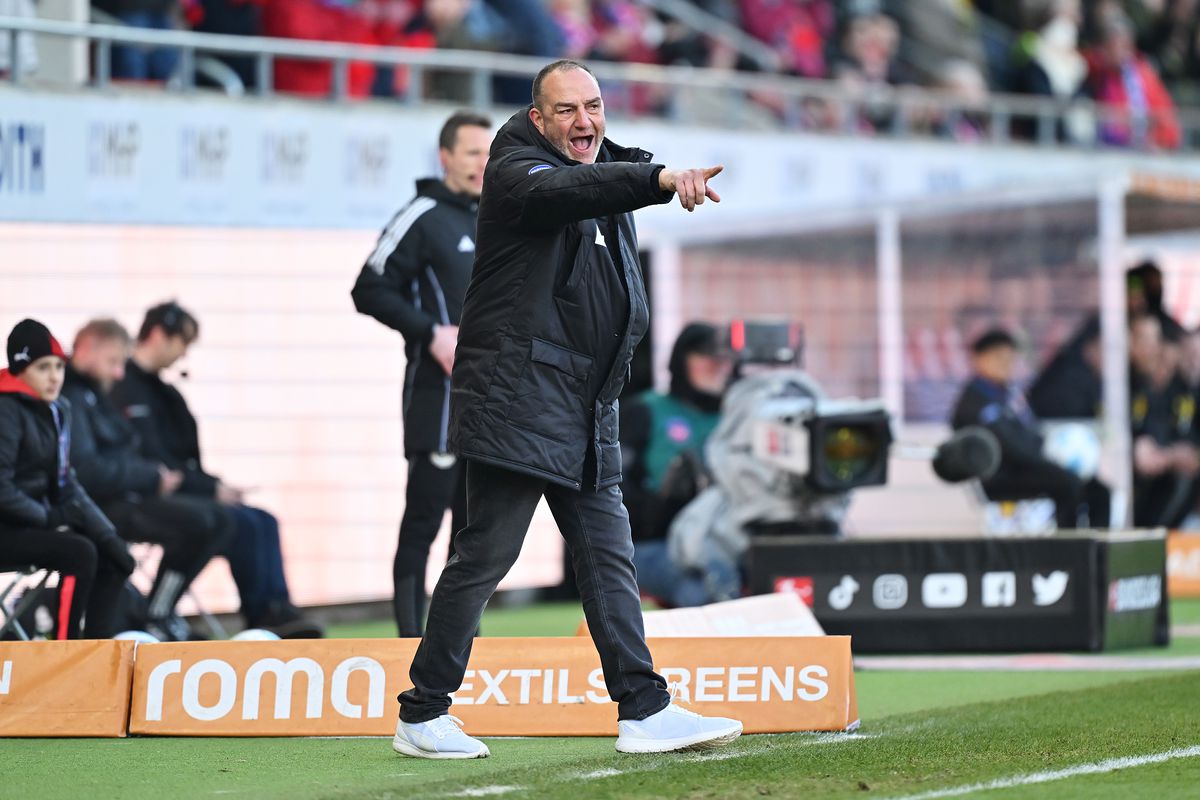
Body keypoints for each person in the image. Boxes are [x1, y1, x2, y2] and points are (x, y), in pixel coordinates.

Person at [391, 59, 741, 760]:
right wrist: (660, 180)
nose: (585, 122)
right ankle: (423, 712)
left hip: (585, 403)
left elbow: (607, 186)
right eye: (568, 110)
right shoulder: (517, 174)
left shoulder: (601, 170)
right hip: (519, 400)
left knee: (609, 557)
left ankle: (645, 709)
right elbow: (580, 187)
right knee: (486, 554)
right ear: (538, 118)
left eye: (595, 106)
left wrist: (655, 177)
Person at [352, 111, 492, 638]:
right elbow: (368, 288)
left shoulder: (496, 216)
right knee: (423, 523)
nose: (483, 164)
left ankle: (461, 645)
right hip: (438, 398)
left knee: (474, 531)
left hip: (493, 402)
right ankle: (408, 641)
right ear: (446, 158)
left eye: (489, 153)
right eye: (472, 152)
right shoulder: (422, 214)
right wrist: (431, 332)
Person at [110, 302, 323, 638]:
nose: (183, 355)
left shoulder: (165, 393)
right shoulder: (125, 387)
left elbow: (184, 461)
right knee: (224, 520)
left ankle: (272, 610)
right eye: (182, 343)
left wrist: (215, 486)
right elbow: (152, 459)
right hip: (144, 497)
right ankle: (159, 611)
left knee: (261, 520)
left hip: (183, 492)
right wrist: (209, 490)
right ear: (159, 335)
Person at [63, 318, 236, 641]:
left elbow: (126, 451)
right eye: (114, 361)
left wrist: (155, 475)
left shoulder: (96, 396)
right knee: (202, 523)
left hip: (126, 497)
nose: (118, 373)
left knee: (219, 519)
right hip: (101, 508)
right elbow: (87, 471)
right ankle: (154, 615)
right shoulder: (73, 397)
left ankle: (159, 611)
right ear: (87, 350)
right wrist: (149, 476)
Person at [0, 319, 134, 639]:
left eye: (59, 367)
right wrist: (48, 517)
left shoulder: (58, 409)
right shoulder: (6, 410)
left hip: (31, 523)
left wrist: (108, 534)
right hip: (7, 527)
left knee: (116, 560)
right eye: (43, 368)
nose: (54, 377)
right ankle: (66, 655)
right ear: (20, 370)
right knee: (79, 552)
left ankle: (97, 653)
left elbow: (67, 481)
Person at [620, 322, 738, 607]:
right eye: (706, 356)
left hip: (732, 540)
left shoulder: (742, 418)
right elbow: (612, 494)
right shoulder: (645, 412)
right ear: (681, 360)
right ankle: (711, 652)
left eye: (725, 359)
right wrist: (666, 501)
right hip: (655, 543)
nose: (717, 366)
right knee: (706, 579)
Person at [951, 328, 1109, 529]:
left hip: (1024, 468)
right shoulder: (975, 401)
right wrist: (1047, 457)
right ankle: (1069, 547)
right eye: (999, 358)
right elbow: (1010, 446)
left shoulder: (1006, 396)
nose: (1006, 365)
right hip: (1002, 477)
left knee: (1099, 490)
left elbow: (1027, 434)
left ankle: (1099, 549)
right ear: (980, 360)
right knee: (1066, 483)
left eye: (1010, 359)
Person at [1129, 314, 1199, 527]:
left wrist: (1171, 454)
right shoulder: (1137, 387)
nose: (1164, 371)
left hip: (1168, 465)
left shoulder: (1182, 392)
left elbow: (1183, 437)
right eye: (1161, 363)